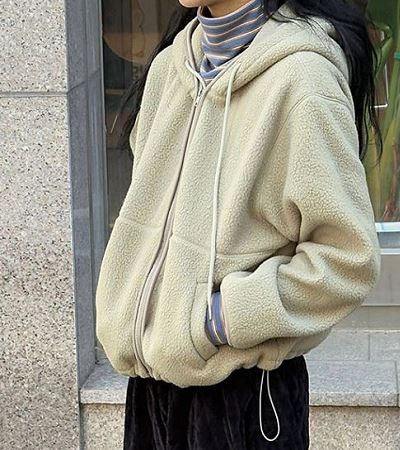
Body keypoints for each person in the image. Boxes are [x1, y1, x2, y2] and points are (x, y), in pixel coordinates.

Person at [95, 0, 383, 448]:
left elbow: (348, 260)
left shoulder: (302, 79)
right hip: (150, 391)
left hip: (241, 396)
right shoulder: (170, 68)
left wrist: (217, 320)